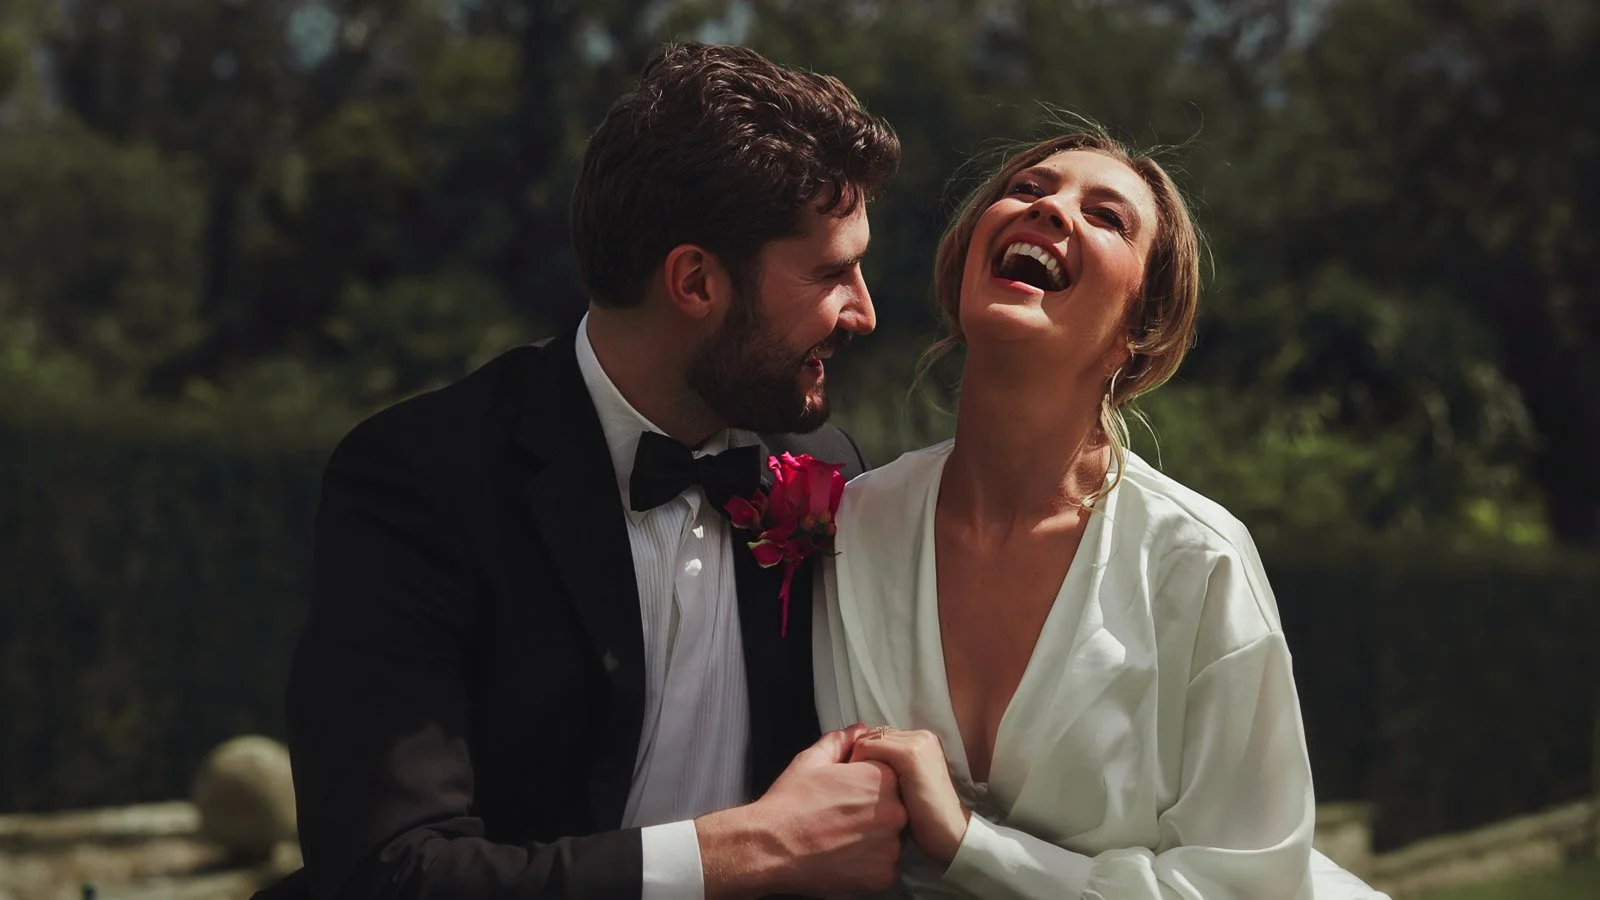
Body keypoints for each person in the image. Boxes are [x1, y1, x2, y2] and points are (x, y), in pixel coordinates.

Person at [255, 42, 908, 900]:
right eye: (831, 272)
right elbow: (393, 871)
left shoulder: (826, 471)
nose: (863, 311)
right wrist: (736, 855)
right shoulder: (420, 480)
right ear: (695, 282)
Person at [814, 128, 1392, 898]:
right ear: (963, 269)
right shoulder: (853, 526)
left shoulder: (1200, 561)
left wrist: (968, 845)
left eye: (1107, 216)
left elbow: (1247, 889)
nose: (1050, 210)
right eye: (1027, 189)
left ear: (1138, 333)